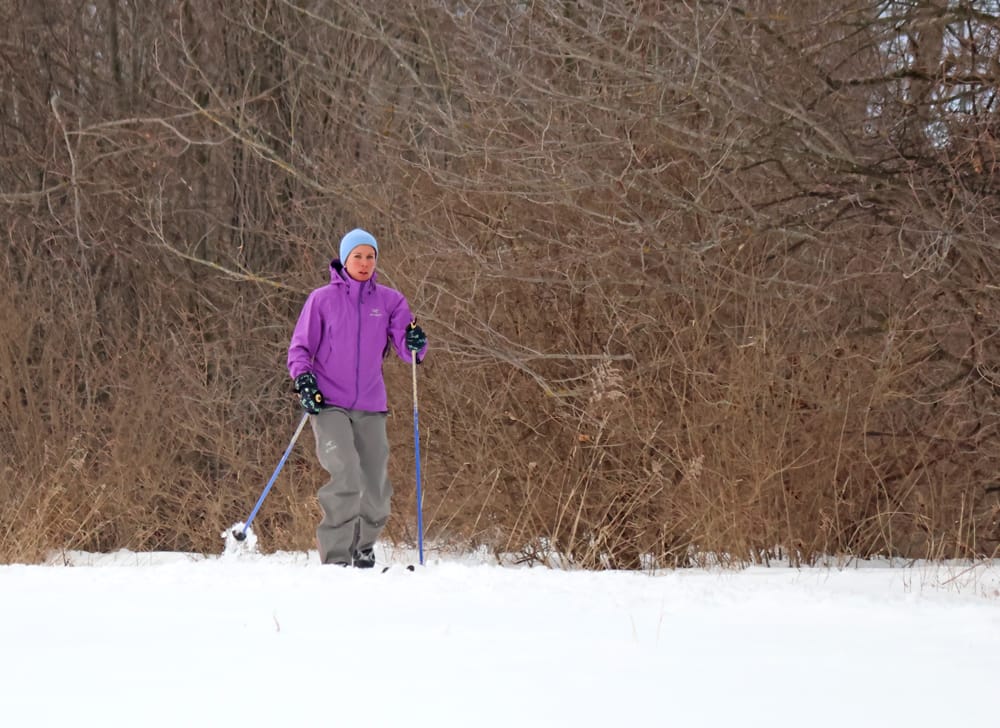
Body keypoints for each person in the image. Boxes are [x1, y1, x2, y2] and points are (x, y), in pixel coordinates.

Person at [287, 228, 427, 567]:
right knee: (346, 472)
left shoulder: (390, 301)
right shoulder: (322, 299)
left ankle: (363, 546)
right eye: (357, 256)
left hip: (370, 402)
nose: (364, 263)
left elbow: (407, 350)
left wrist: (416, 343)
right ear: (344, 259)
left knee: (376, 484)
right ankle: (336, 557)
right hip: (328, 401)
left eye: (370, 256)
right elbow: (301, 347)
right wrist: (304, 379)